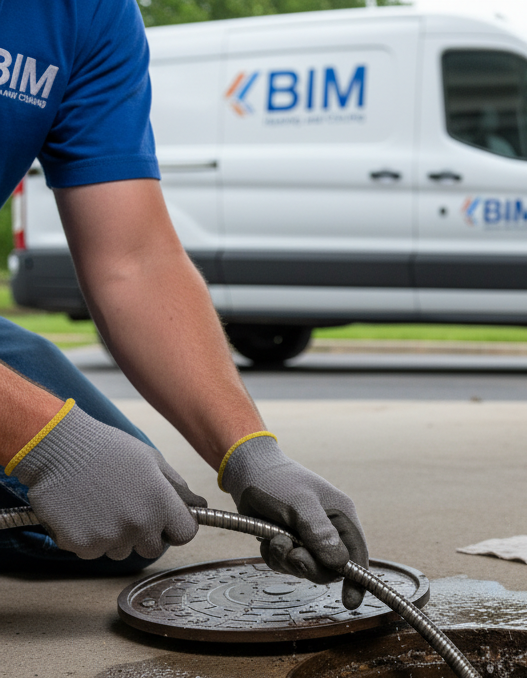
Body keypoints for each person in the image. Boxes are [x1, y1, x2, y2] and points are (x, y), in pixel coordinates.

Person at [0, 0, 368, 606]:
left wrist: (251, 454)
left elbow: (134, 260)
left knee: (126, 524)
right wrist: (42, 439)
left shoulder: (90, 13)